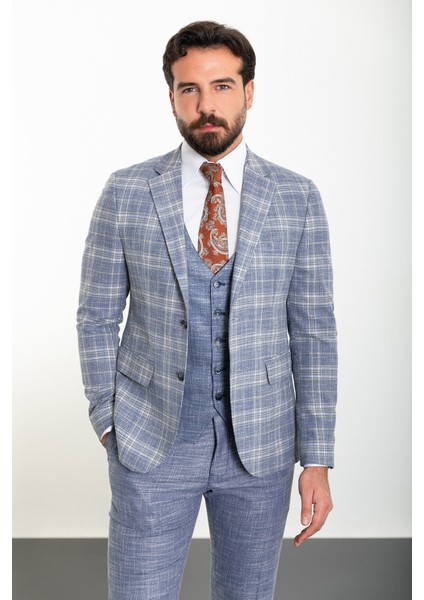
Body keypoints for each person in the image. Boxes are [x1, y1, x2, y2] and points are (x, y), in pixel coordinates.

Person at [77, 20, 337, 600]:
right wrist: (108, 420)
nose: (206, 105)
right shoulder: (126, 191)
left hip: (262, 446)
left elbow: (314, 334)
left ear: (249, 91)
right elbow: (95, 315)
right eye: (189, 88)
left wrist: (317, 459)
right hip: (149, 440)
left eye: (222, 86)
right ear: (171, 97)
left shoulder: (296, 197)